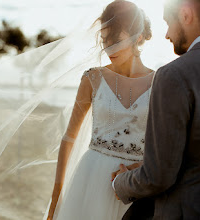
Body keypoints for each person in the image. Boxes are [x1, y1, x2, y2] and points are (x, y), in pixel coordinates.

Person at [112, 0, 200, 219]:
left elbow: (157, 177)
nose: (167, 34)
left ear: (186, 15)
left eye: (168, 23)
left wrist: (119, 183)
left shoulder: (173, 75)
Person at [46, 1, 155, 219]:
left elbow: (165, 146)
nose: (108, 48)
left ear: (139, 37)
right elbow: (69, 139)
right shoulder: (92, 78)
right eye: (105, 40)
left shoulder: (161, 82)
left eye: (116, 40)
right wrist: (56, 197)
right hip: (90, 179)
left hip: (135, 182)